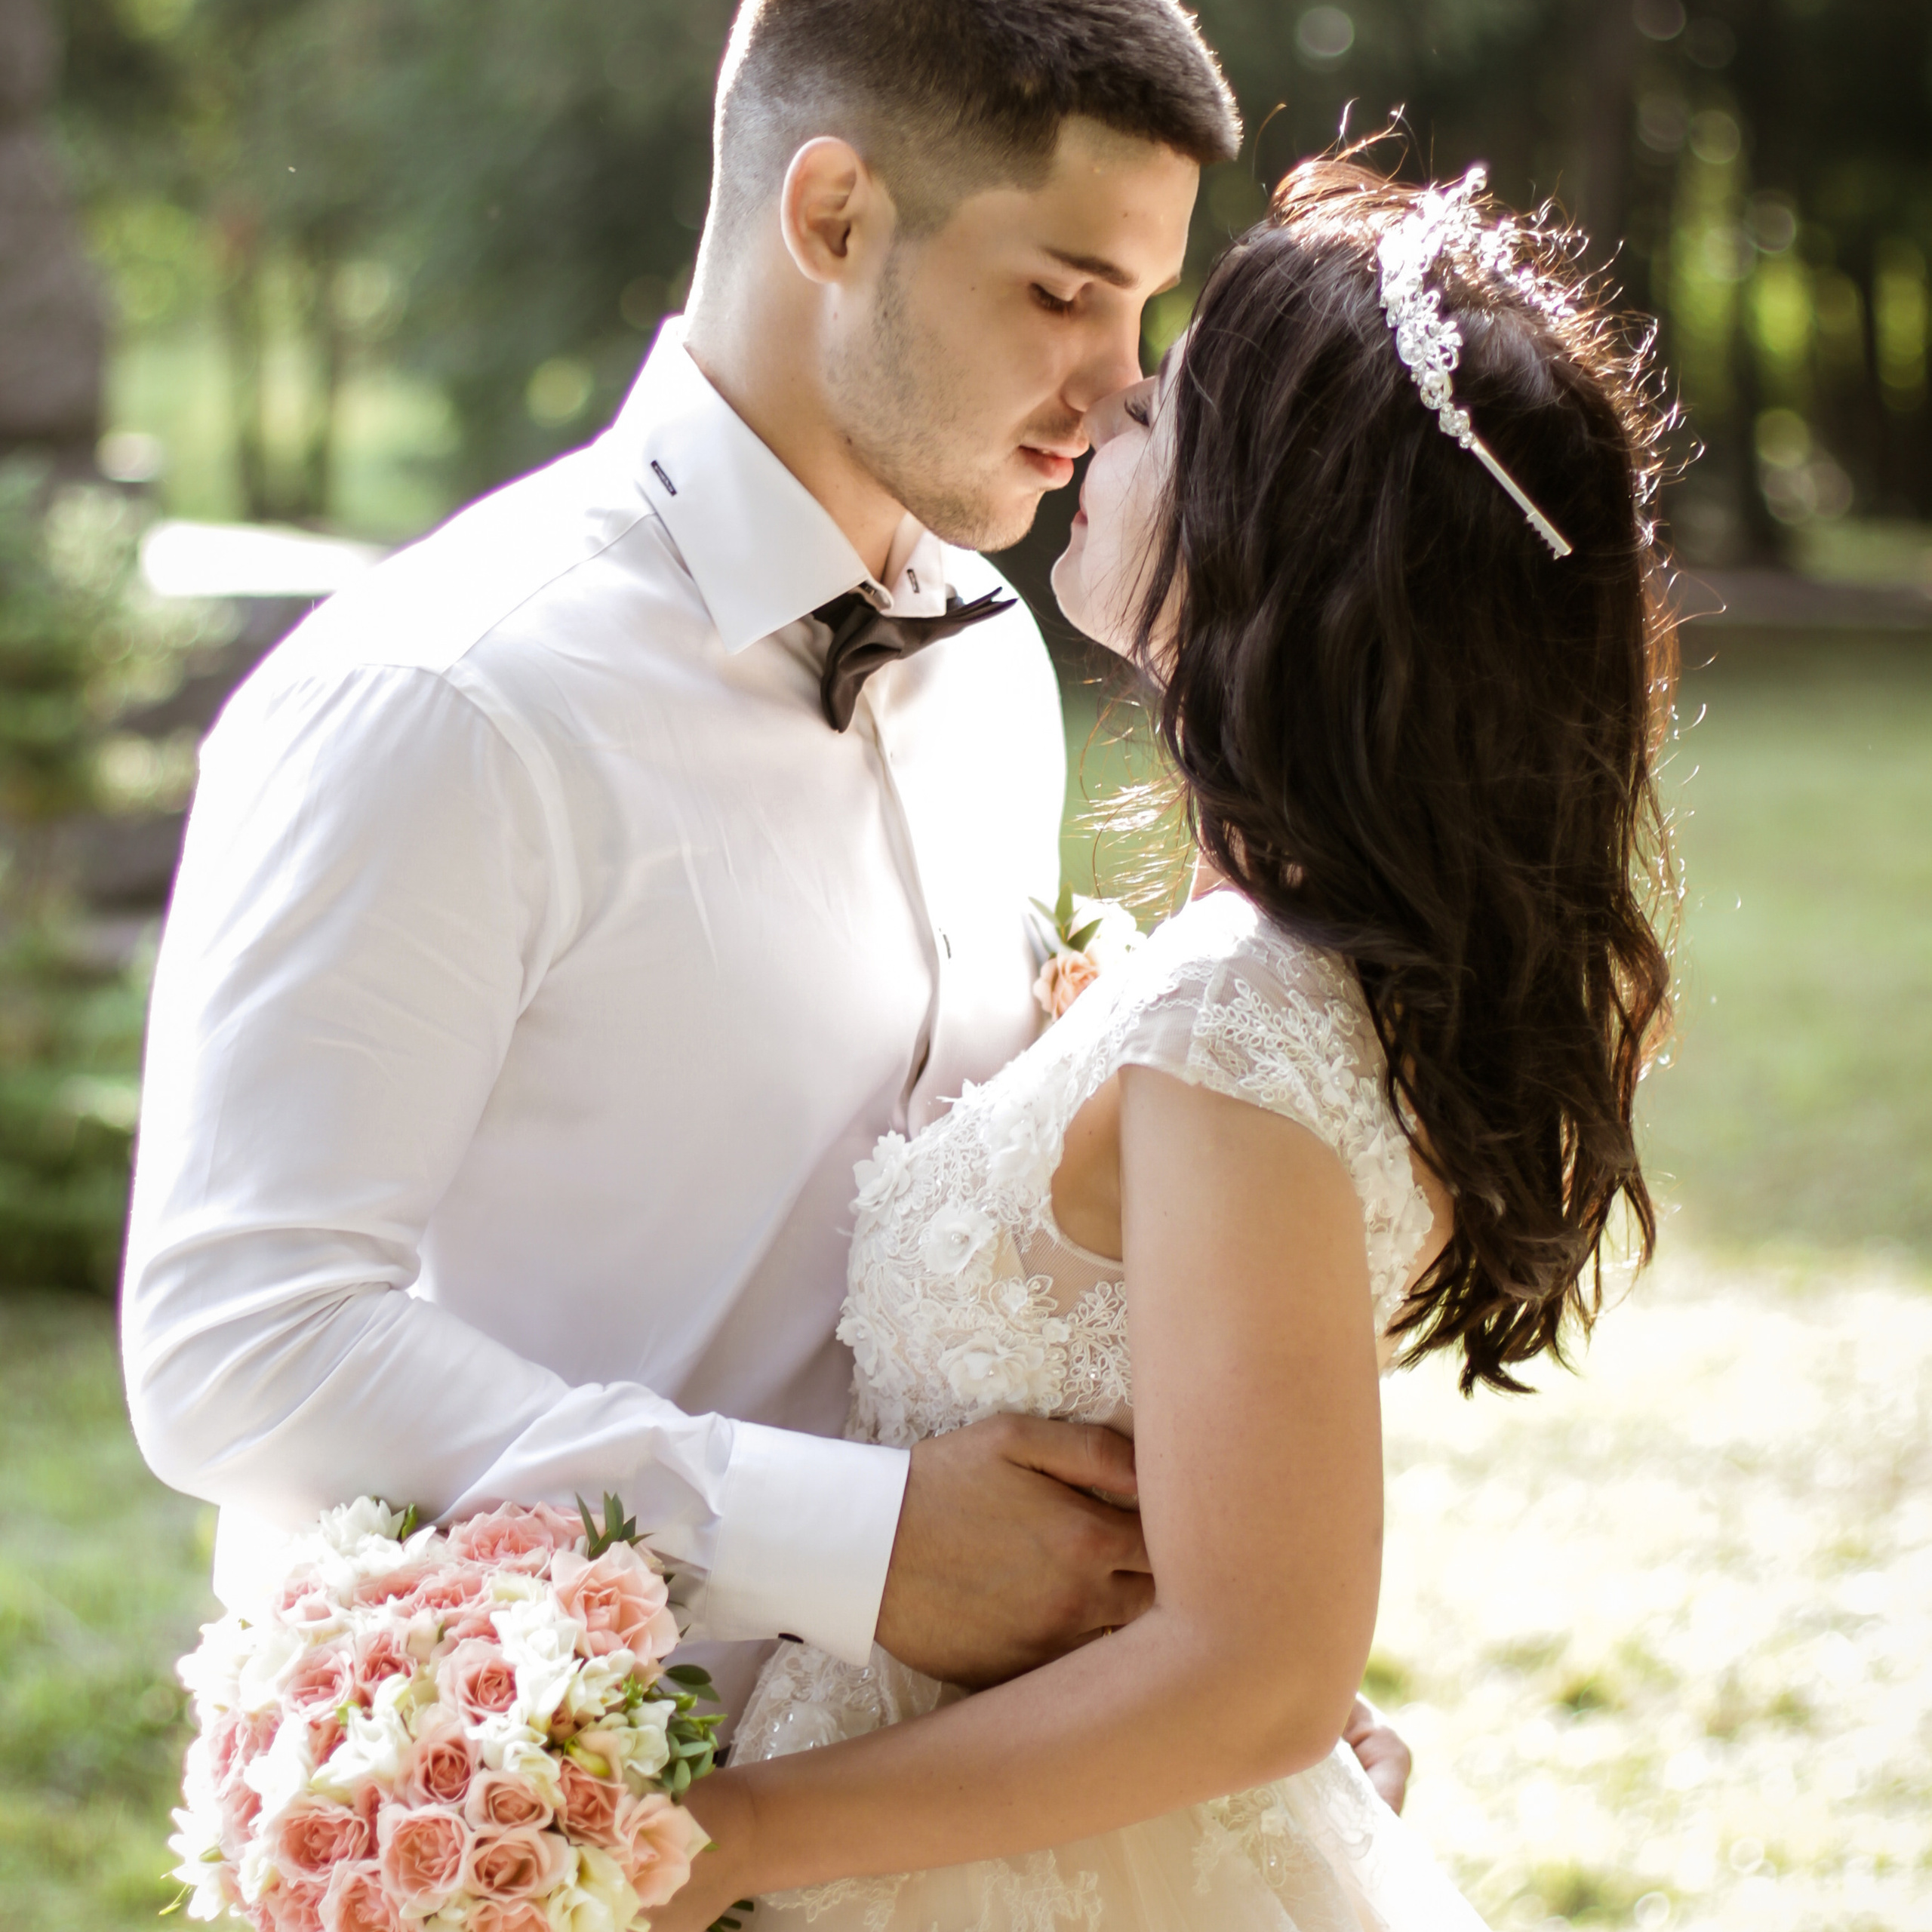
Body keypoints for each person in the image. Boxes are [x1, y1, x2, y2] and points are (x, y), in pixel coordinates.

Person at [121, 0, 1411, 1780]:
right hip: (536, 1818)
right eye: (1060, 292)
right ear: (831, 219)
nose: (1120, 383)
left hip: (947, 1822)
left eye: (1141, 308)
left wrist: (1207, 1624)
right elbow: (238, 1344)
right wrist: (857, 1543)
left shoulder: (992, 674)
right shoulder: (446, 701)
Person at [644, 152, 1680, 1932]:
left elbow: (1254, 1671)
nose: (1110, 402)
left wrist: (728, 1837)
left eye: (1166, 405)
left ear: (1274, 538)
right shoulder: (1263, 964)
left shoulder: (1235, 1026)